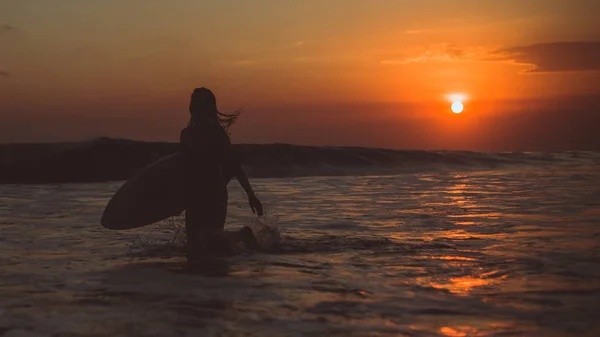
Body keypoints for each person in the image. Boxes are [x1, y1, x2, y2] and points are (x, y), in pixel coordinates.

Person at [180, 87, 263, 262]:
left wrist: (250, 194)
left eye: (200, 103)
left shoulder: (217, 134)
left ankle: (242, 235)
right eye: (194, 102)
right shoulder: (186, 134)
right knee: (194, 245)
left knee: (212, 239)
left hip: (215, 193)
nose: (195, 107)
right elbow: (183, 168)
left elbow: (233, 165)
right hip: (193, 194)